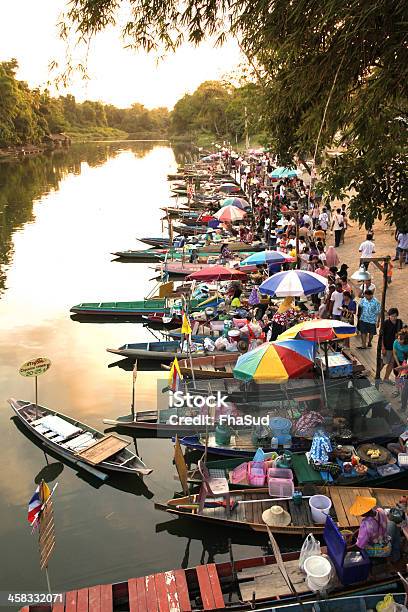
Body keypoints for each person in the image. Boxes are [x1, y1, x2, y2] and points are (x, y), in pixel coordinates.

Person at [350, 496, 400, 562]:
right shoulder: (380, 510)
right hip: (385, 541)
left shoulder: (365, 525)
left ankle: (390, 557)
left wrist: (345, 549)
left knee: (361, 548)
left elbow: (359, 546)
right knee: (392, 524)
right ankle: (396, 555)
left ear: (364, 513)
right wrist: (354, 534)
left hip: (381, 550)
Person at [382, 308, 404, 383]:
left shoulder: (399, 322)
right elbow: (382, 336)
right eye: (392, 316)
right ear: (389, 316)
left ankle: (386, 378)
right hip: (387, 346)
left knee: (391, 363)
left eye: (395, 316)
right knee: (383, 362)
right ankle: (377, 376)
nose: (394, 317)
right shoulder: (385, 323)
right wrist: (383, 347)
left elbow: (402, 333)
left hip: (396, 347)